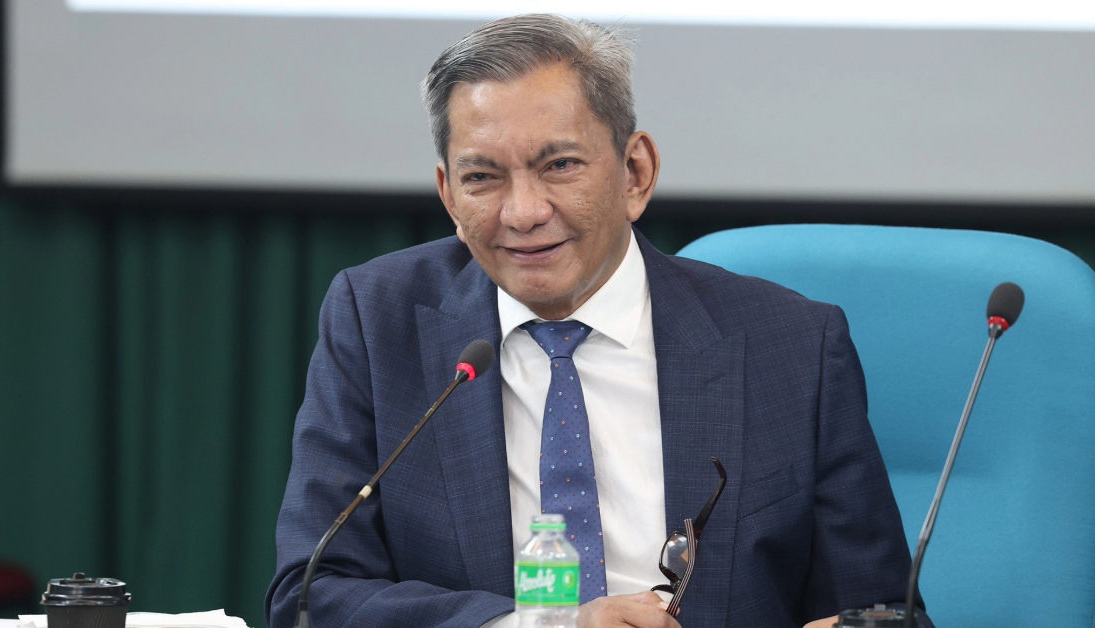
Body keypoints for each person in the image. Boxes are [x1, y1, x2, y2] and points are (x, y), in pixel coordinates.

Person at [266, 14, 929, 628]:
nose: (524, 212)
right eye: (483, 178)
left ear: (635, 173)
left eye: (559, 166)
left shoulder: (792, 347)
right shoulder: (379, 322)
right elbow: (313, 593)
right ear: (449, 196)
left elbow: (884, 611)